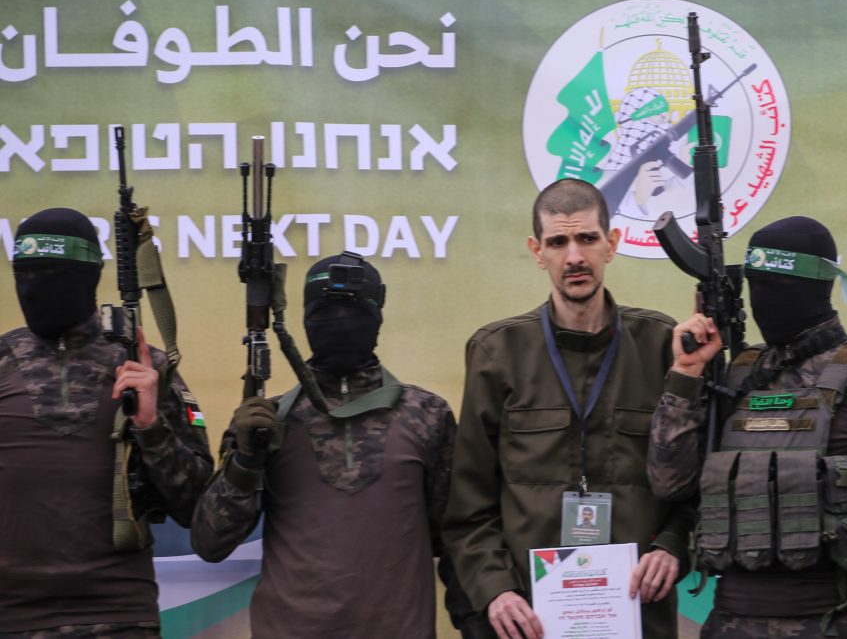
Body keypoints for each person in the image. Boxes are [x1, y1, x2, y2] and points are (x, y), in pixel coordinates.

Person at [648, 216, 847, 638]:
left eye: (780, 285)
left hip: (837, 619)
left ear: (819, 286)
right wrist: (686, 375)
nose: (765, 299)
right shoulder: (735, 375)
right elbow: (670, 483)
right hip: (731, 623)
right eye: (757, 285)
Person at [444, 179, 692, 639]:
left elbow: (695, 484)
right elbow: (468, 509)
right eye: (558, 242)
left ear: (611, 244)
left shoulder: (662, 345)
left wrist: (673, 546)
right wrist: (496, 590)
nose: (574, 257)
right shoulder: (497, 353)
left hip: (639, 617)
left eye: (587, 239)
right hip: (530, 620)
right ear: (538, 252)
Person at [190, 251, 474, 638]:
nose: (340, 323)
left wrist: (476, 622)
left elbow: (456, 542)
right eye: (326, 311)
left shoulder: (427, 415)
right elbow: (210, 543)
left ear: (378, 316)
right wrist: (244, 462)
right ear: (304, 318)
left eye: (353, 309)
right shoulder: (265, 421)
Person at [0, 208, 214, 636]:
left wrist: (152, 425)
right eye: (25, 274)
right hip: (12, 616)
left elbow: (199, 507)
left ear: (89, 276)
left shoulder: (144, 365)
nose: (34, 288)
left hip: (120, 614)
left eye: (51, 275)